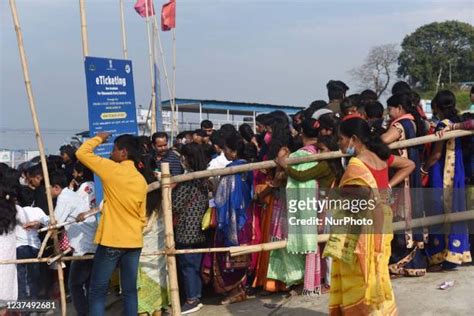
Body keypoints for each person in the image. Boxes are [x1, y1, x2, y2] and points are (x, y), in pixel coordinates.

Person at [324, 116, 414, 315]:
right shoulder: (380, 157)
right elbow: (409, 164)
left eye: (341, 139)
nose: (339, 144)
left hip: (366, 230)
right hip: (383, 225)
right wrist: (389, 186)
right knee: (378, 274)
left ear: (353, 139)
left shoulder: (356, 166)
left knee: (359, 278)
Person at [76, 133, 148, 316]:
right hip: (134, 241)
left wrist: (99, 137)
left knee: (97, 291)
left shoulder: (111, 169)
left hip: (112, 241)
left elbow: (82, 152)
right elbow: (142, 216)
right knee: (130, 291)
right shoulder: (140, 179)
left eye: (114, 149)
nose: (111, 152)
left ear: (123, 152)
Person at [25, 171, 97, 316]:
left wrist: (39, 222)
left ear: (56, 187)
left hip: (84, 248)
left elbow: (55, 222)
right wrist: (40, 222)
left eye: (48, 189)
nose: (46, 193)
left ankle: (84, 313)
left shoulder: (65, 197)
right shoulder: (70, 195)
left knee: (75, 284)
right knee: (89, 285)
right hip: (90, 244)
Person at [423, 90, 472, 270]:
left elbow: (436, 154)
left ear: (436, 106)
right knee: (456, 208)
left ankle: (440, 254)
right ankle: (456, 252)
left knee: (440, 210)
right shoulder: (456, 124)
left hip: (441, 172)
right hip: (456, 170)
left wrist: (424, 168)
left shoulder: (442, 125)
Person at [202, 134, 253, 305]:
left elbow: (221, 198)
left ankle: (234, 290)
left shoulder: (230, 170)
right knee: (241, 252)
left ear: (232, 152)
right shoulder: (249, 166)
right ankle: (239, 289)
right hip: (245, 217)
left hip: (232, 219)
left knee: (227, 255)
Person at [382, 93, 427, 277]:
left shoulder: (400, 124)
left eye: (390, 109)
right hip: (411, 174)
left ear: (399, 108)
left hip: (403, 177)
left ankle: (400, 262)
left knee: (402, 216)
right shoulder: (413, 122)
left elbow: (384, 140)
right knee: (411, 214)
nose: (389, 113)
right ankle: (414, 263)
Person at [172, 143, 210, 314]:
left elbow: (175, 205)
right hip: (200, 227)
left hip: (187, 229)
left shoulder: (186, 180)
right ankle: (197, 295)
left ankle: (192, 299)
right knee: (195, 265)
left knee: (188, 266)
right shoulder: (204, 178)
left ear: (187, 158)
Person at [136, 155, 169, 316]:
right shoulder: (162, 185)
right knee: (159, 277)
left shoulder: (135, 186)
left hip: (141, 243)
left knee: (142, 290)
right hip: (159, 239)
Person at [15, 185, 48, 301]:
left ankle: (23, 307)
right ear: (33, 200)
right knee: (34, 277)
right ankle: (33, 304)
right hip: (35, 248)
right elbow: (50, 221)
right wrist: (38, 223)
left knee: (20, 278)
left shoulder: (16, 210)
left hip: (19, 248)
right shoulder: (38, 211)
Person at [0, 170, 19, 309]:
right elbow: (29, 220)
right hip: (7, 261)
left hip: (6, 260)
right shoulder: (15, 211)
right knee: (4, 300)